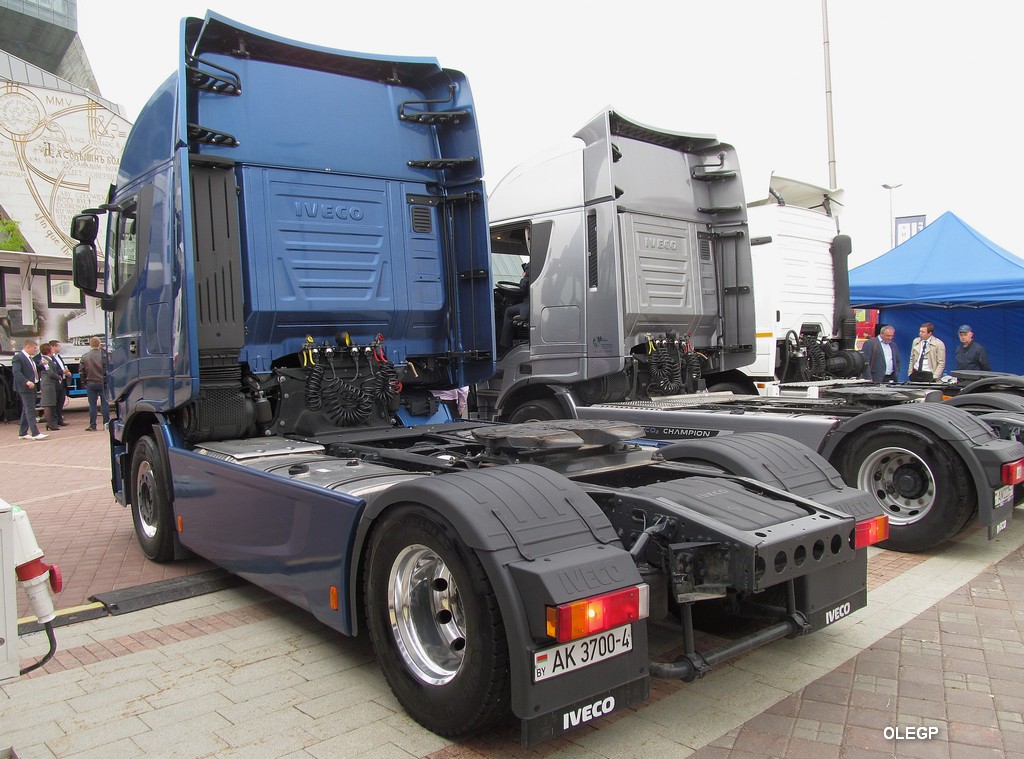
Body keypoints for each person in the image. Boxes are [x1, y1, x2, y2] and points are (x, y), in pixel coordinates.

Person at [11, 339, 47, 440]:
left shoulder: (30, 358)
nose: (35, 351)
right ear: (27, 347)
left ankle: (22, 432)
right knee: (30, 409)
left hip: (32, 386)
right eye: (34, 349)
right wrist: (26, 381)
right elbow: (17, 372)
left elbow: (32, 371)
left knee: (26, 409)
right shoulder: (18, 357)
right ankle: (35, 433)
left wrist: (41, 365)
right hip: (25, 387)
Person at [79, 335, 110, 430]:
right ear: (99, 344)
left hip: (90, 383)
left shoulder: (85, 356)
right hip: (103, 382)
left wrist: (84, 382)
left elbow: (81, 371)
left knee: (92, 405)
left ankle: (93, 425)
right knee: (105, 404)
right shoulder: (105, 355)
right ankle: (106, 425)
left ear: (90, 345)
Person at [499, 262, 530, 350]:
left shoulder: (530, 267)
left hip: (528, 305)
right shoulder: (540, 263)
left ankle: (505, 346)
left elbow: (524, 287)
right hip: (533, 303)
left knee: (508, 311)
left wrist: (524, 277)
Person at [37, 343, 62, 431]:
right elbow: (50, 372)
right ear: (48, 350)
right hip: (48, 384)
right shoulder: (45, 360)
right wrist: (59, 377)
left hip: (50, 384)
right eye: (51, 349)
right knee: (48, 404)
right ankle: (50, 423)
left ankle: (50, 423)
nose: (52, 350)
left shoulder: (47, 359)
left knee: (51, 403)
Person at [48, 339, 71, 426]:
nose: (60, 347)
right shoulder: (50, 358)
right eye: (58, 346)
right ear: (53, 347)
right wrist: (62, 372)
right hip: (56, 383)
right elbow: (54, 370)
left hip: (62, 381)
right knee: (55, 402)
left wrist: (67, 372)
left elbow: (62, 366)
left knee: (61, 400)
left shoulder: (58, 356)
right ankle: (54, 420)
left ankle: (59, 419)